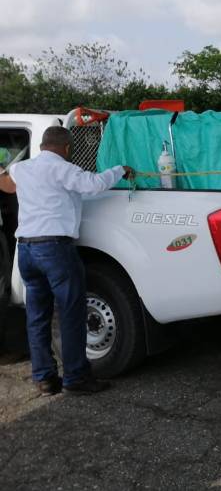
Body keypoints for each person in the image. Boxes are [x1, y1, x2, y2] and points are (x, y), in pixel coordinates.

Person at [0, 127, 133, 396]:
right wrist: (120, 169)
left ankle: (45, 379)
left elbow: (6, 184)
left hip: (26, 250)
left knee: (37, 316)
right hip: (55, 250)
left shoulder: (23, 169)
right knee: (71, 314)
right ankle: (76, 378)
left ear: (41, 145)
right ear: (67, 148)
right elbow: (95, 185)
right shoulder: (65, 170)